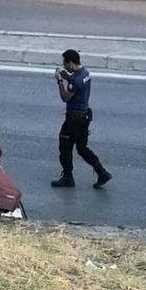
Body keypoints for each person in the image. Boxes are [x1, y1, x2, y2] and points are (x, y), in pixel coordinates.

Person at [51, 49, 112, 189]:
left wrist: (60, 81)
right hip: (84, 117)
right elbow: (76, 83)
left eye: (65, 64)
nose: (65, 66)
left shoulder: (76, 81)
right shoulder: (85, 73)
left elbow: (65, 97)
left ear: (71, 63)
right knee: (82, 148)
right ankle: (102, 173)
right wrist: (67, 77)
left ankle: (67, 177)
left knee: (65, 147)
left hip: (74, 119)